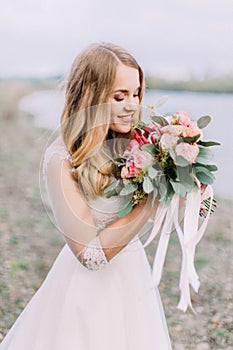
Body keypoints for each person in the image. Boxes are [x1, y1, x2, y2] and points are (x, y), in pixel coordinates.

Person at [0, 42, 172, 349]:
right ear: (91, 96)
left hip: (132, 278)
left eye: (136, 94)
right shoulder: (62, 159)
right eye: (119, 96)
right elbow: (90, 256)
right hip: (86, 290)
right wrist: (150, 203)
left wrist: (181, 181)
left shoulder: (139, 147)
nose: (132, 105)